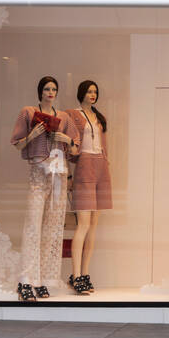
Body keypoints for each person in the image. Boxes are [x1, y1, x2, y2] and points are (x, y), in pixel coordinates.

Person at [9, 76, 74, 301]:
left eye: (54, 89)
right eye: (47, 88)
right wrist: (32, 135)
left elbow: (75, 149)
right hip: (38, 170)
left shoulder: (64, 116)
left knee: (53, 227)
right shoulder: (28, 112)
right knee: (33, 225)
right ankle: (27, 279)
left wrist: (65, 138)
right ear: (40, 91)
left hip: (58, 171)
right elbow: (16, 143)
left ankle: (45, 278)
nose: (50, 92)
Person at [67, 79, 111, 295]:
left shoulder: (99, 117)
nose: (92, 95)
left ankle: (84, 273)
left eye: (95, 91)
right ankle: (75, 276)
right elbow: (70, 147)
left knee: (93, 225)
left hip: (101, 167)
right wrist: (68, 174)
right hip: (84, 166)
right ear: (81, 92)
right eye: (88, 91)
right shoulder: (72, 115)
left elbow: (104, 146)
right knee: (83, 224)